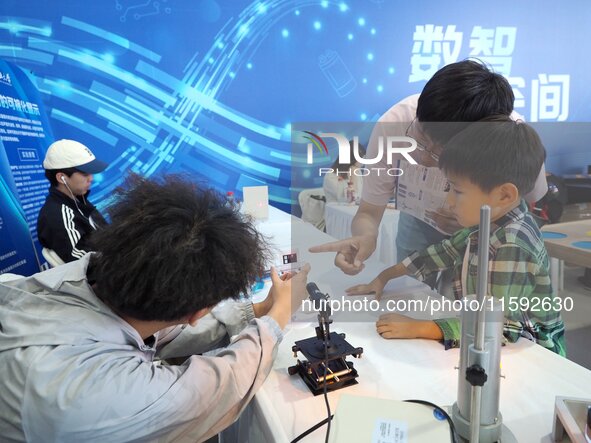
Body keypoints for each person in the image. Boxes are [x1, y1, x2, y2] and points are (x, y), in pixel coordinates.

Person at [0, 175, 310, 442]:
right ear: (198, 312)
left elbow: (161, 329)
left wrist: (257, 309)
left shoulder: (83, 277)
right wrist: (279, 314)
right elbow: (222, 384)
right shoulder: (104, 397)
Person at [345, 117, 566, 356]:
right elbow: (441, 253)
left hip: (533, 351)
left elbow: (496, 327)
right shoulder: (489, 220)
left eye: (457, 191)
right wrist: (384, 276)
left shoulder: (511, 243)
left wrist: (421, 327)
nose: (449, 201)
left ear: (504, 195)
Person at [309, 60, 548, 278]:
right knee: (410, 291)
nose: (423, 157)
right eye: (421, 136)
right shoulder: (395, 124)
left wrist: (478, 220)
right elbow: (369, 212)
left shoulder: (513, 139)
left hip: (486, 233)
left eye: (440, 152)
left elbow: (529, 202)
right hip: (417, 223)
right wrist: (365, 237)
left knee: (475, 299)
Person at [37, 139, 108, 263]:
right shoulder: (57, 215)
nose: (91, 179)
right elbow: (82, 263)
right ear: (61, 177)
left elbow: (109, 234)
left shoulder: (80, 202)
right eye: (85, 174)